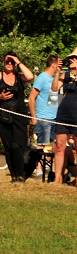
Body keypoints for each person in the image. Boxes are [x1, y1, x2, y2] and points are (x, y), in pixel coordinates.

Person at [0, 52, 34, 182]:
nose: (10, 64)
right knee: (8, 148)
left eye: (12, 62)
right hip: (4, 116)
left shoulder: (20, 76)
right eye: (8, 61)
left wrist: (19, 62)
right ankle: (14, 175)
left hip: (19, 115)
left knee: (17, 146)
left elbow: (30, 76)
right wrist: (0, 96)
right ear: (3, 62)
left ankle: (20, 174)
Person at [29, 55, 61, 176]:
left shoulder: (53, 78)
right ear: (54, 65)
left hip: (54, 117)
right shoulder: (42, 78)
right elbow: (31, 98)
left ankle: (47, 167)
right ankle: (38, 170)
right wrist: (33, 117)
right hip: (42, 117)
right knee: (41, 144)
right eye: (59, 64)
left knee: (53, 144)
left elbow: (52, 97)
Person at [51, 50, 77, 185]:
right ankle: (57, 179)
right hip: (64, 113)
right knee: (60, 146)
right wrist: (57, 73)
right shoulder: (65, 74)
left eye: (74, 58)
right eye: (71, 58)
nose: (72, 59)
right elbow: (54, 88)